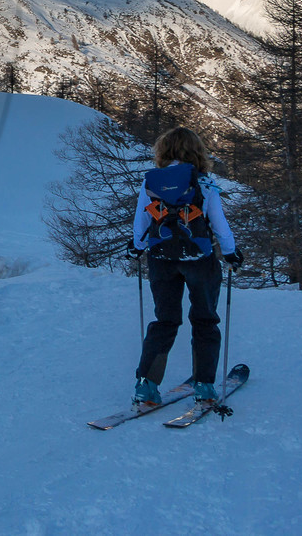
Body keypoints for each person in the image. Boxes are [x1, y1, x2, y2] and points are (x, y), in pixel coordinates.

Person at [129, 126, 242, 406]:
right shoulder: (204, 181)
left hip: (161, 259)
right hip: (198, 260)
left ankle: (146, 384)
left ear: (163, 150)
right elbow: (218, 223)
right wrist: (230, 253)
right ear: (196, 150)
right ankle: (204, 385)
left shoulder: (151, 182)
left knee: (164, 321)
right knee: (205, 320)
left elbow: (141, 221)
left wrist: (137, 247)